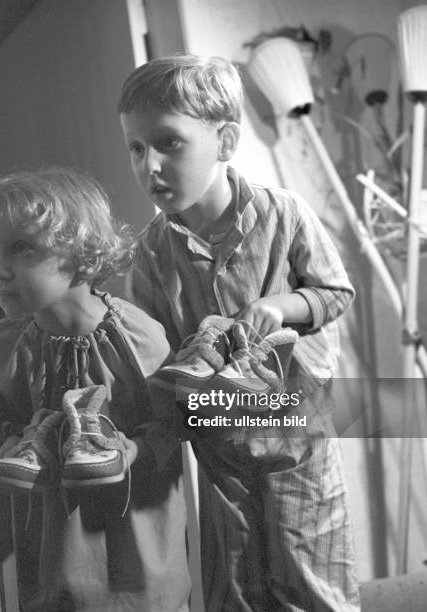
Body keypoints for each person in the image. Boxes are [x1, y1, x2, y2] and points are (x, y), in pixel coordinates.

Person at [118, 54, 360, 611]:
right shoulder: (153, 251)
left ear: (225, 142)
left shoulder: (286, 214)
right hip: (221, 439)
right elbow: (155, 350)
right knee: (236, 581)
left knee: (311, 568)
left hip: (295, 428)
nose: (147, 165)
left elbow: (335, 293)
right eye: (135, 147)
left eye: (169, 143)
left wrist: (282, 305)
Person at [0, 167, 190, 611]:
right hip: (55, 546)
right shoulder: (9, 345)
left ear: (83, 255)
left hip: (136, 535)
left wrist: (134, 449)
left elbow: (174, 424)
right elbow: (5, 425)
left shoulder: (136, 335)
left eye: (20, 249)